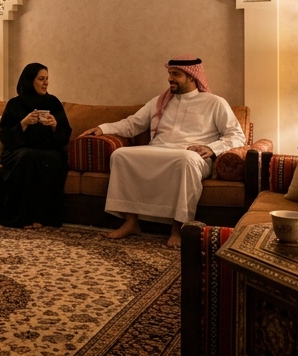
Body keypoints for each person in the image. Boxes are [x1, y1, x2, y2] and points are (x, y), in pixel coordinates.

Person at [80, 56, 245, 248]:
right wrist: (103, 128)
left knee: (184, 160)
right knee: (121, 155)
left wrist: (211, 148)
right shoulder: (161, 101)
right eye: (169, 74)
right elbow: (133, 124)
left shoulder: (215, 103)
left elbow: (236, 136)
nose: (170, 78)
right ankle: (131, 222)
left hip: (193, 155)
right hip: (159, 149)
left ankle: (178, 227)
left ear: (192, 77)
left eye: (176, 74)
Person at [0, 63, 72, 229]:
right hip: (18, 151)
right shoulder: (14, 104)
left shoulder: (53, 102)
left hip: (48, 150)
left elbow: (65, 134)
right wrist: (23, 124)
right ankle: (22, 217)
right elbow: (5, 136)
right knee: (27, 156)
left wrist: (55, 125)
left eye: (47, 79)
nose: (46, 83)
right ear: (29, 81)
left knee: (53, 159)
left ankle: (43, 217)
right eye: (41, 79)